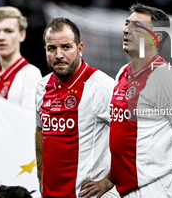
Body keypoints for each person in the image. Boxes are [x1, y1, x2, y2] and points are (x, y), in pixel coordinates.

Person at [81, 3, 172, 198]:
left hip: (157, 188)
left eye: (136, 26)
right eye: (127, 24)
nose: (126, 30)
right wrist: (110, 178)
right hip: (129, 188)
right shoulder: (123, 73)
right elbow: (122, 133)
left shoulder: (164, 78)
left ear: (156, 38)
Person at [35, 18, 118, 198]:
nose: (58, 55)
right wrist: (40, 173)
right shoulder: (42, 87)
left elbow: (132, 132)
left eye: (66, 47)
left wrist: (111, 179)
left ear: (80, 49)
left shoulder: (100, 86)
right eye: (52, 48)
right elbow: (40, 130)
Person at [0, 6, 42, 109]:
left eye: (8, 31)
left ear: (22, 35)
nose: (1, 37)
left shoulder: (30, 75)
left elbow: (30, 122)